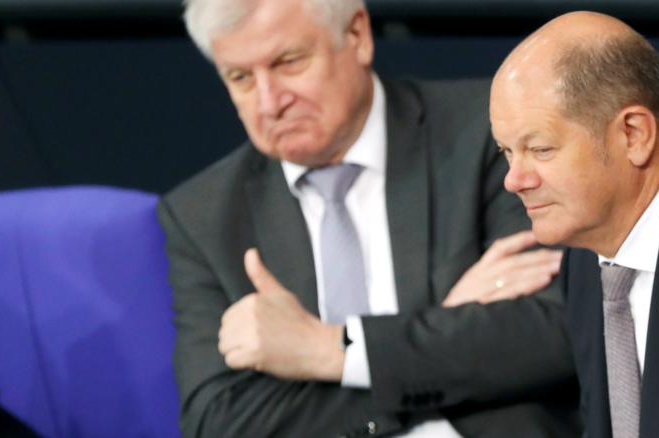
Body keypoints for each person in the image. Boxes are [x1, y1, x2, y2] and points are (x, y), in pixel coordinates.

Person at [158, 0, 577, 436]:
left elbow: (553, 331)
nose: (269, 103)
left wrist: (327, 351)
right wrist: (440, 326)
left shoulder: (487, 132)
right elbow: (220, 421)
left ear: (357, 36)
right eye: (240, 77)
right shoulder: (203, 215)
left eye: (289, 62)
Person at [490, 11, 659, 438]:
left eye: (539, 149)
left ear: (634, 135)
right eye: (506, 152)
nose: (513, 180)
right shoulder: (584, 262)